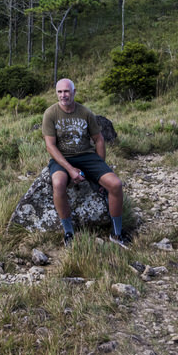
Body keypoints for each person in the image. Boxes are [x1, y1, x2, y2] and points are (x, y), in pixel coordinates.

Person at [43, 78, 127, 247]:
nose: (63, 95)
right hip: (62, 157)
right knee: (58, 183)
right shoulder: (50, 114)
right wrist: (70, 170)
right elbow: (50, 146)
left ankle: (117, 234)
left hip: (87, 156)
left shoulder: (85, 113)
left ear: (74, 92)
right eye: (59, 92)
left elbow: (99, 139)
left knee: (115, 184)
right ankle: (69, 233)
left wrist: (99, 168)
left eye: (66, 91)